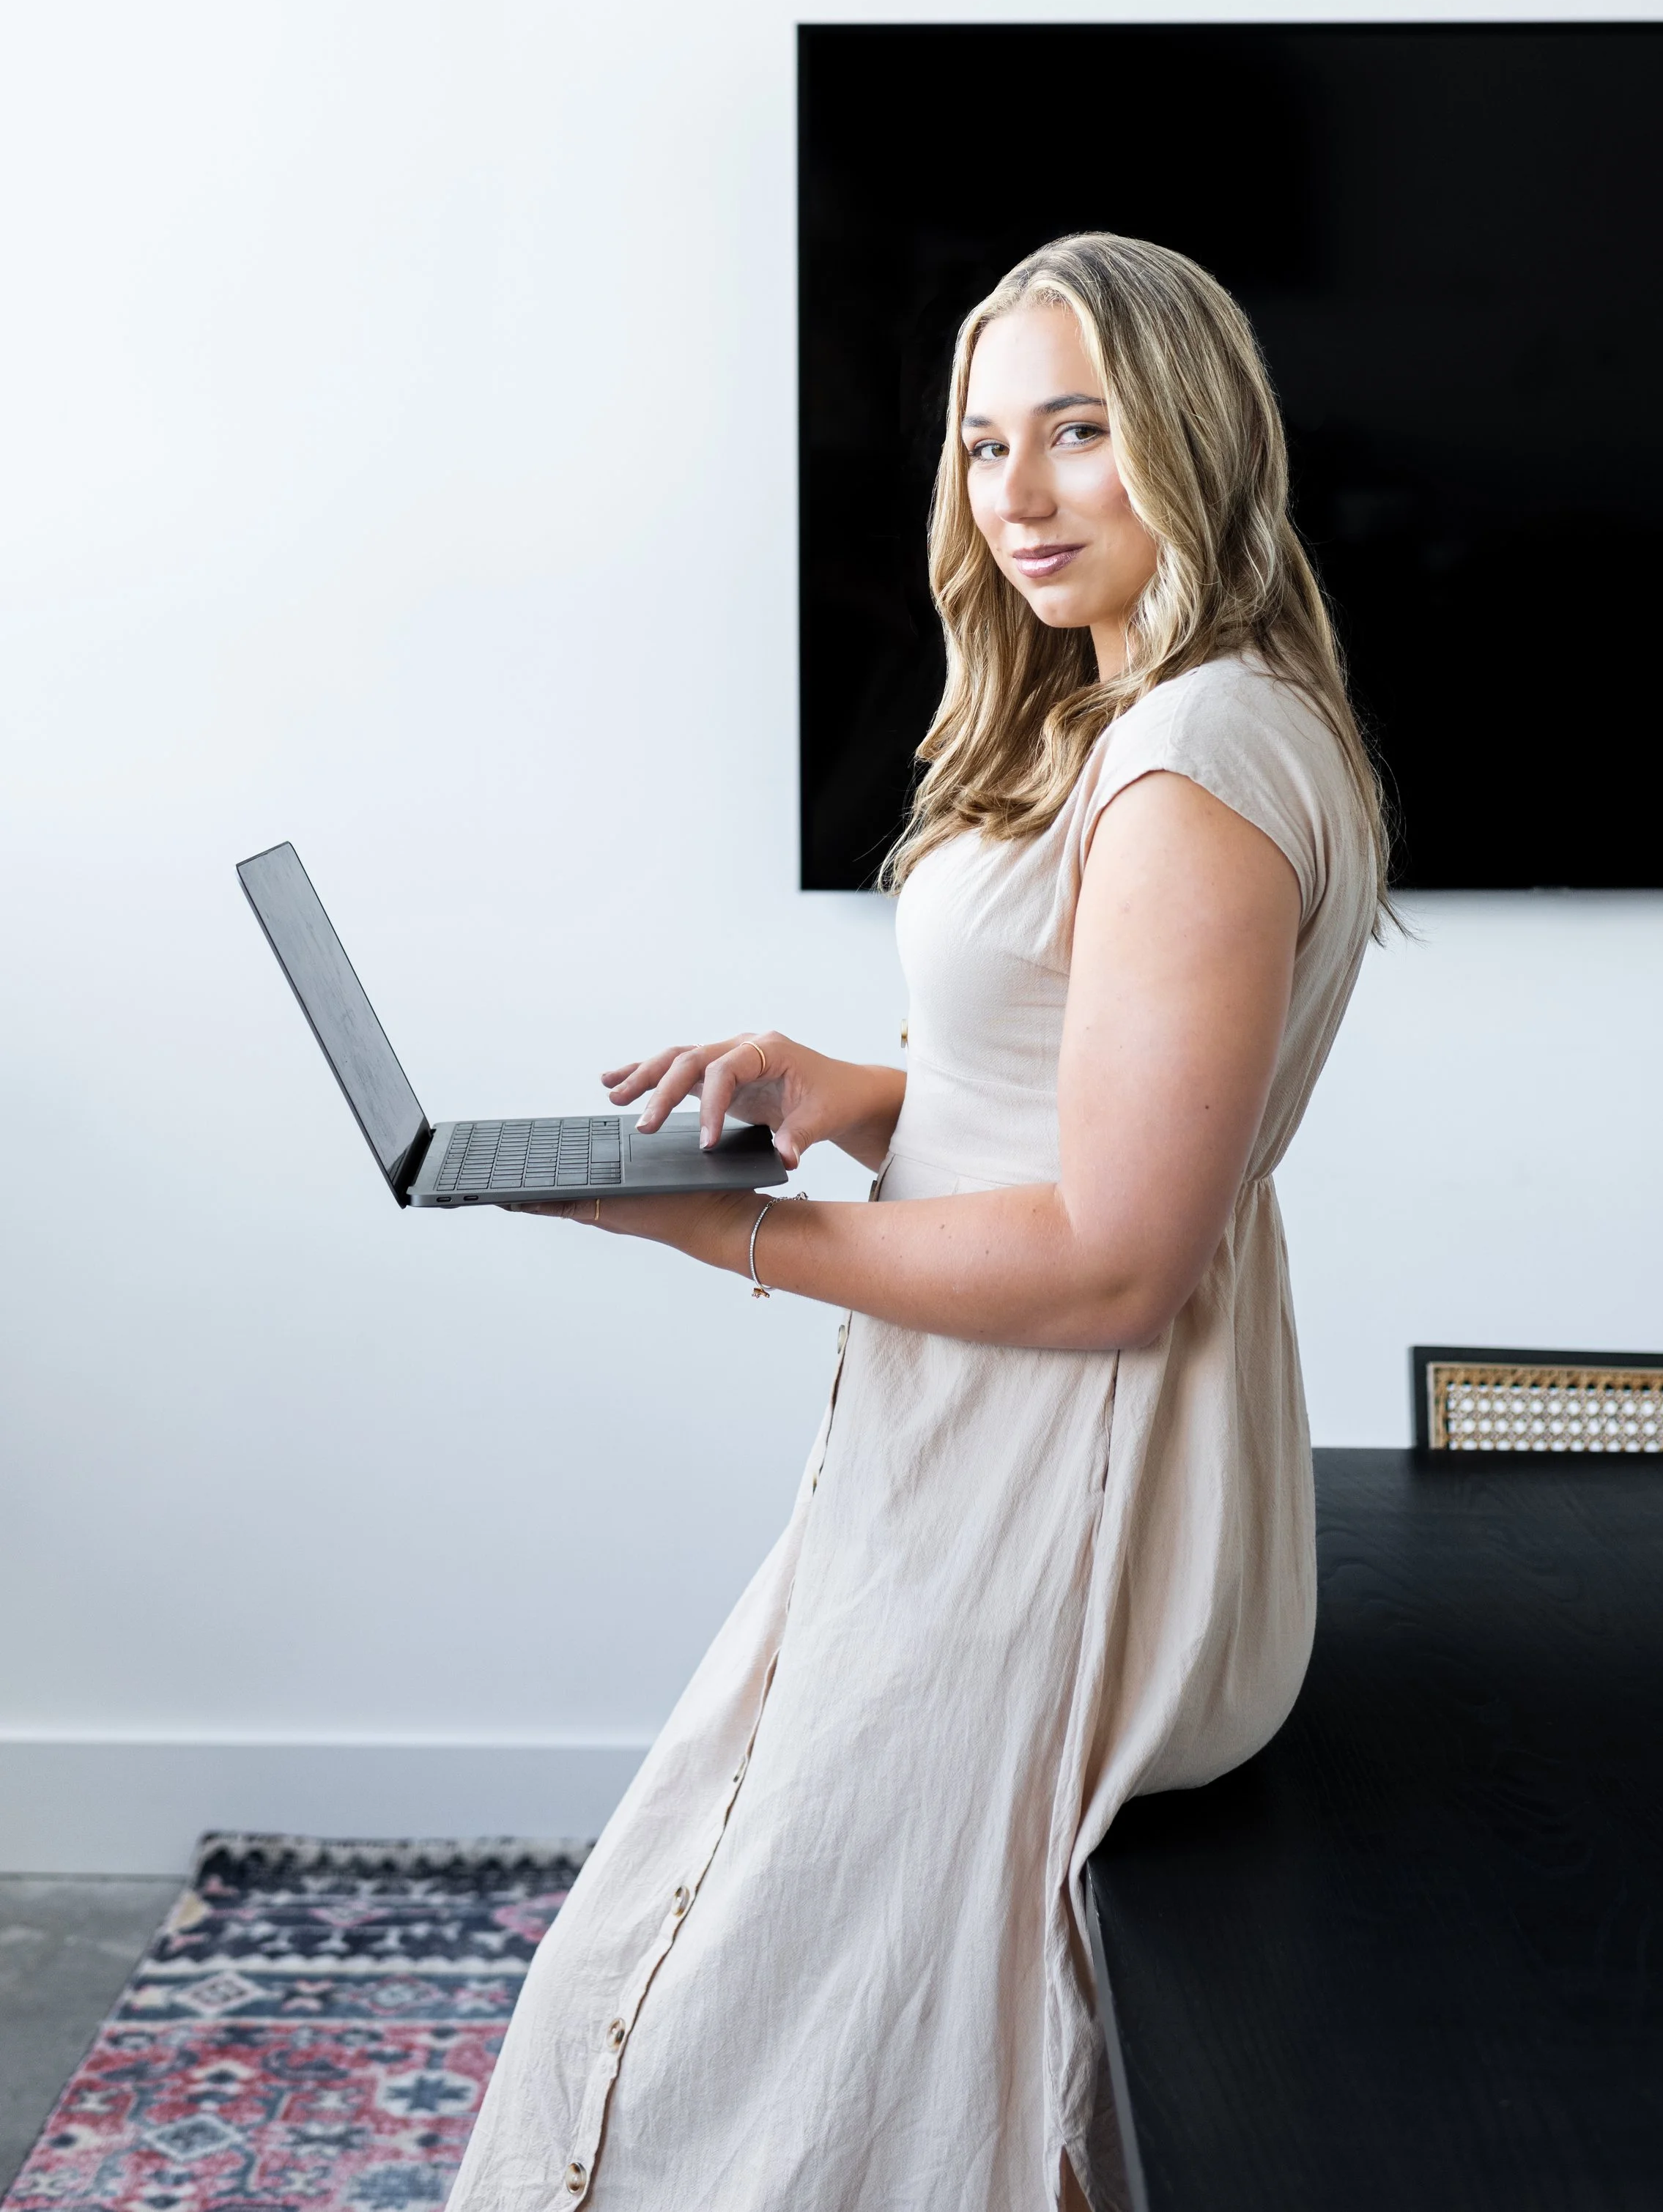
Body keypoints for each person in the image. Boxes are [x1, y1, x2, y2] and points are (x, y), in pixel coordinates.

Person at [445, 232, 1387, 2212]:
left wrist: (712, 1234)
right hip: (986, 1454)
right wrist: (843, 1092)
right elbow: (1078, 1090)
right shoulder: (1160, 719)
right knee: (801, 1985)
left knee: (756, 2009)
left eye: (1079, 434)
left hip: (1058, 1488)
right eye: (981, 444)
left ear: (1195, 444)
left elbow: (1120, 1257)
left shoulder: (1193, 764)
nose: (1017, 495)